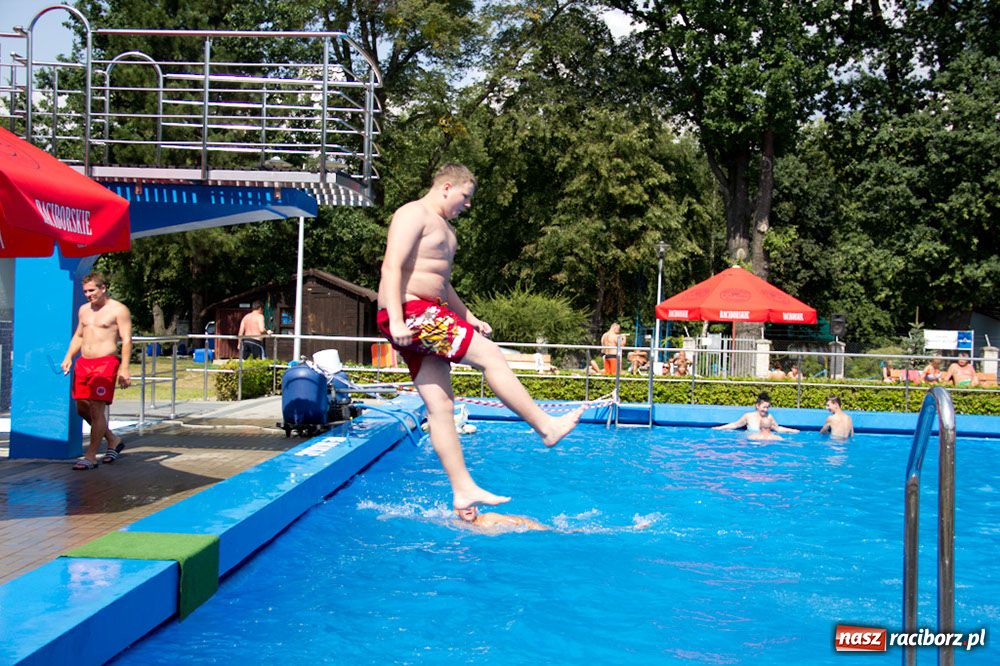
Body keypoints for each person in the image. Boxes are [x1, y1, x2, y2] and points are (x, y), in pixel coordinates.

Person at [376, 163, 584, 510]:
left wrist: (468, 316)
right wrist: (398, 320)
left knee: (441, 407)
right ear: (446, 186)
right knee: (491, 357)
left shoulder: (445, 230)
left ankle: (463, 490)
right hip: (411, 312)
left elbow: (441, 283)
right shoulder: (413, 213)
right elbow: (391, 265)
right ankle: (545, 426)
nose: (467, 205)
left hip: (428, 310)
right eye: (465, 197)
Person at [60, 272, 132, 470]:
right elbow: (79, 335)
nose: (88, 294)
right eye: (85, 291)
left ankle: (90, 456)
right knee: (82, 408)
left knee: (96, 408)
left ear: (103, 288)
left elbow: (126, 339)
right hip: (84, 363)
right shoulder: (84, 310)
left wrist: (124, 368)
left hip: (105, 363)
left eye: (92, 290)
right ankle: (113, 440)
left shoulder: (118, 310)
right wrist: (68, 357)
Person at [712, 391, 799, 435]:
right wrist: (719, 428)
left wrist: (792, 430)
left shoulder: (769, 417)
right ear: (757, 406)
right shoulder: (748, 416)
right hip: (750, 442)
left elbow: (777, 429)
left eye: (767, 407)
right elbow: (735, 425)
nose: (765, 410)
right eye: (764, 407)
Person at [454, 506, 549, 533]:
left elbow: (519, 522)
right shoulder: (457, 524)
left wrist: (544, 529)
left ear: (476, 509)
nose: (468, 508)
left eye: (471, 505)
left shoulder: (489, 518)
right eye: (464, 506)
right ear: (456, 511)